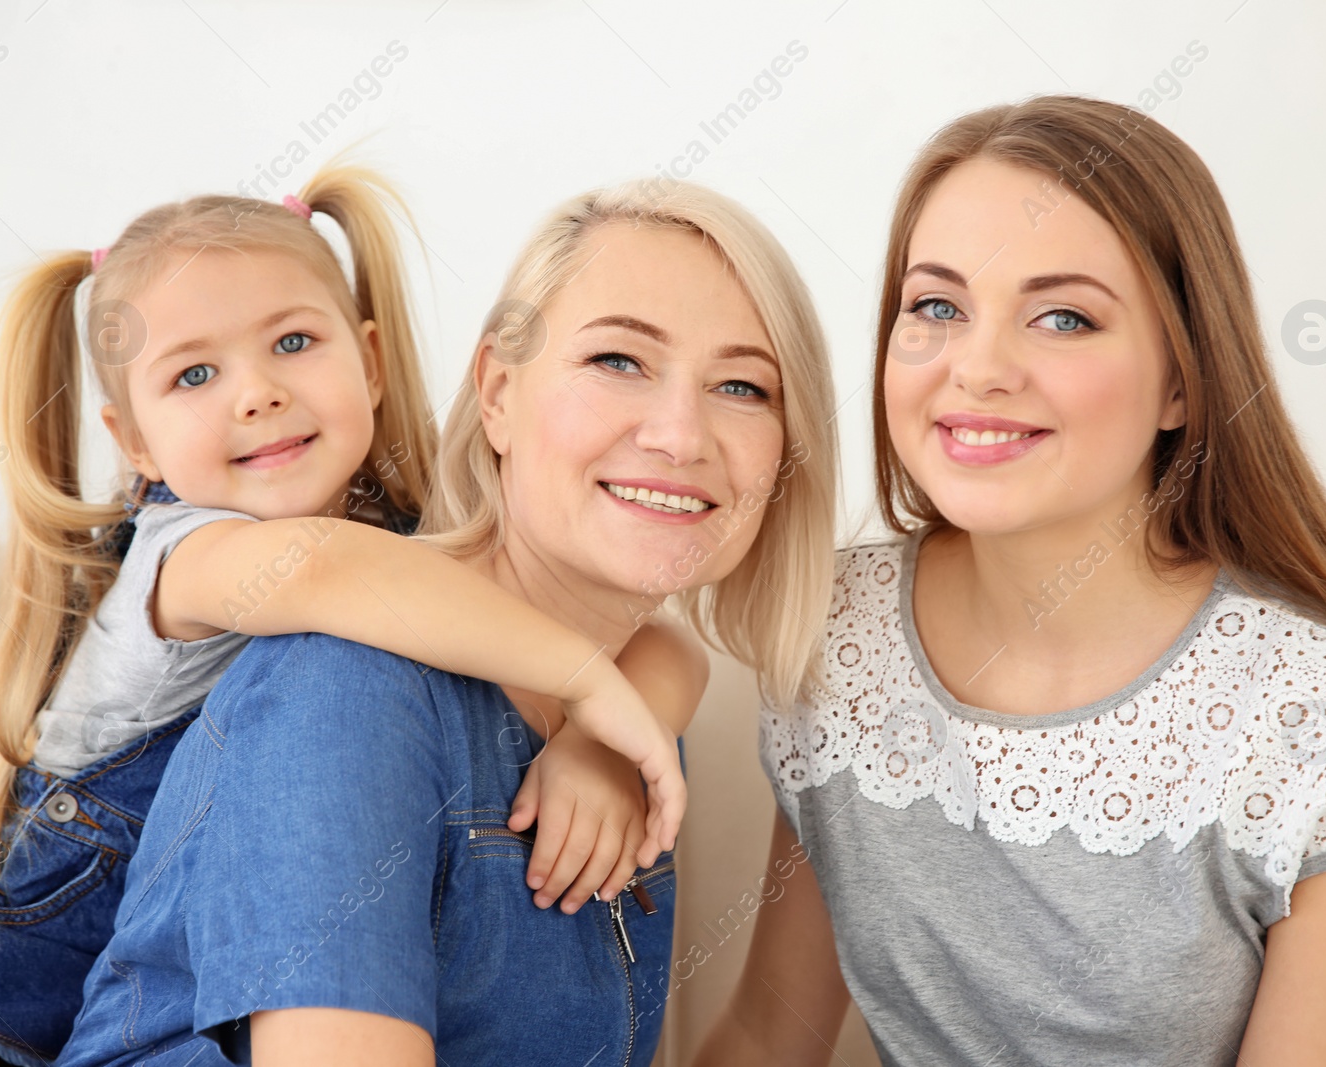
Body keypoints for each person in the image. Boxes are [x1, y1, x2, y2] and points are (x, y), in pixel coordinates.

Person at [700, 95, 1326, 1067]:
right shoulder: (834, 633)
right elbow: (766, 1036)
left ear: (1183, 380)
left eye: (1062, 316)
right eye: (936, 305)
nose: (977, 366)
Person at [0, 163, 698, 1067]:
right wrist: (583, 676)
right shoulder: (183, 555)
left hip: (213, 977)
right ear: (134, 441)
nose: (256, 392)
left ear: (368, 361)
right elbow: (321, 571)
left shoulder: (419, 553)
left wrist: (602, 740)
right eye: (195, 373)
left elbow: (663, 641)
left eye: (292, 342)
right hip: (29, 952)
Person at [52, 176, 839, 1066]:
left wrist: (615, 713)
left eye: (743, 386)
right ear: (497, 393)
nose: (680, 434)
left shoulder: (625, 725)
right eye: (618, 361)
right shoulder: (344, 681)